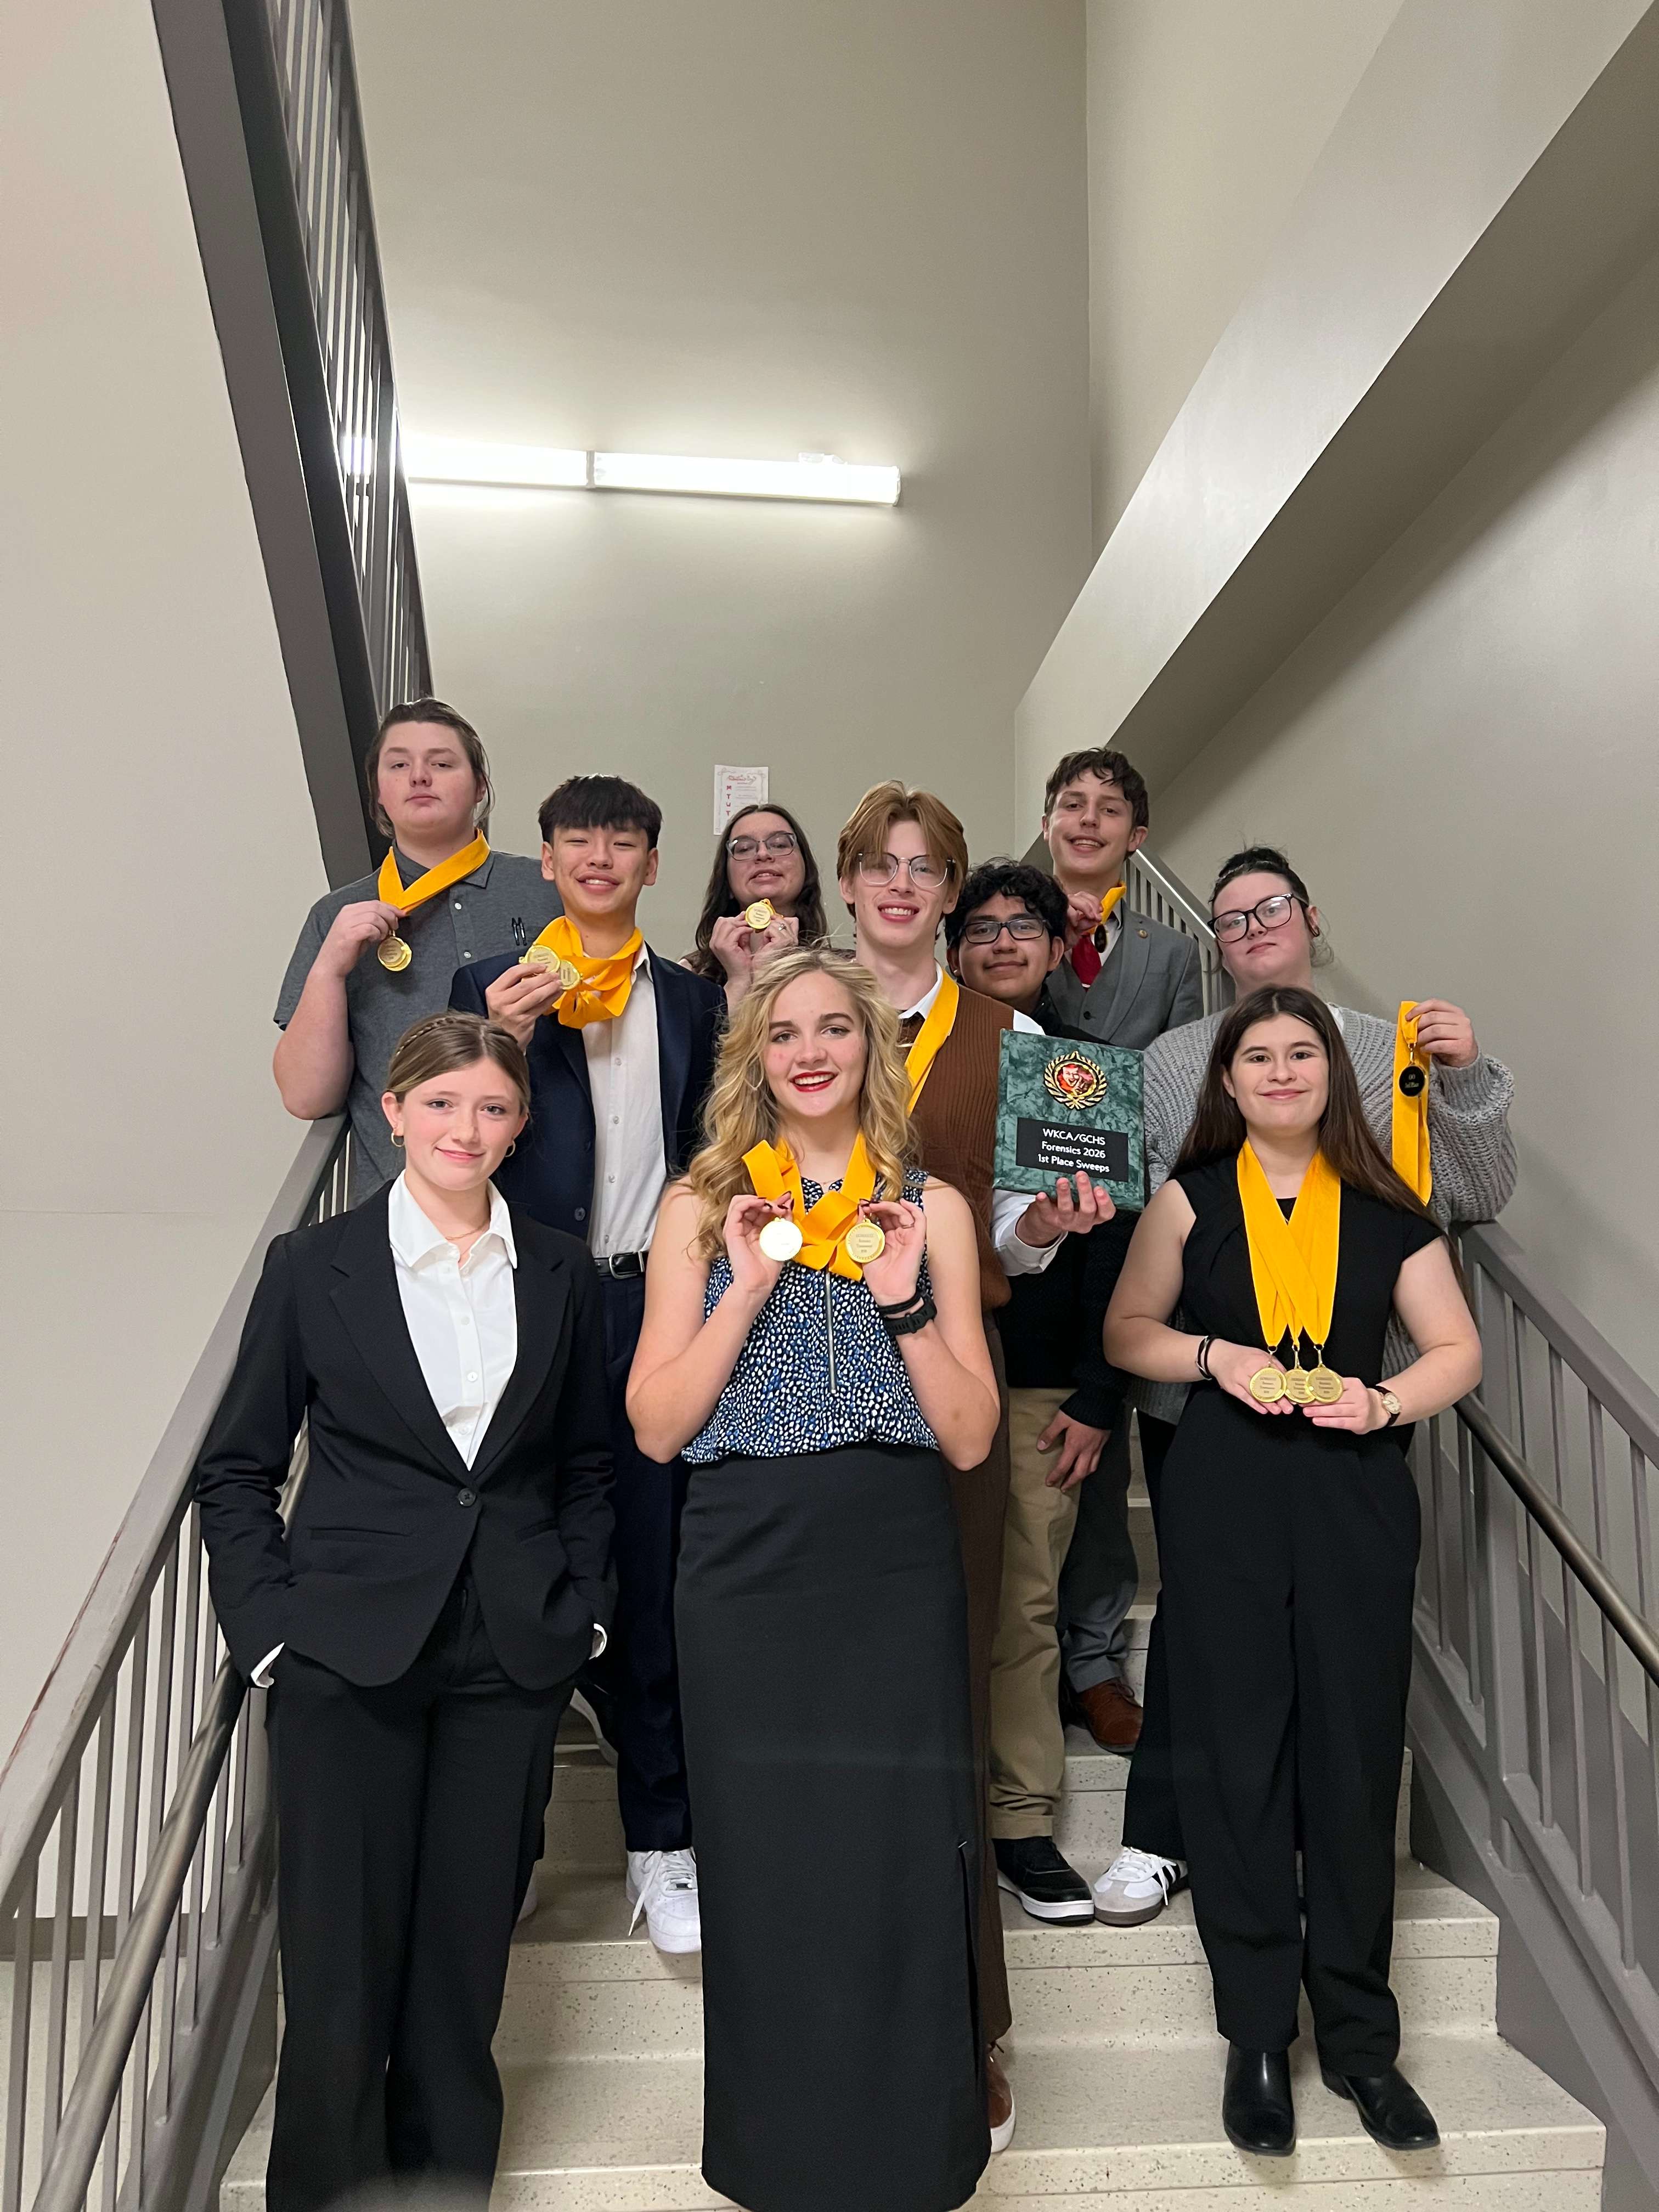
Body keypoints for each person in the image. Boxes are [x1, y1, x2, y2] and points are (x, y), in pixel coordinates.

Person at [195, 1013, 614, 2212]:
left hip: (511, 1649)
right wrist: (271, 1632)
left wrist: (581, 1615)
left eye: (491, 1109)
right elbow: (235, 1469)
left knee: (463, 1964)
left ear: (520, 1125)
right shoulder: (311, 1266)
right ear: (392, 1110)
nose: (465, 1130)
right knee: (336, 1969)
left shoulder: (559, 1269)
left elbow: (586, 1466)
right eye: (441, 1105)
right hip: (343, 1651)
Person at [628, 949, 1000, 2212]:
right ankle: (776, 2158)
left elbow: (969, 1436)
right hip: (744, 1555)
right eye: (782, 1030)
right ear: (753, 1058)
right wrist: (746, 1289)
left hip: (891, 1546)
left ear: (868, 1048)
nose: (809, 1049)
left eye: (835, 1026)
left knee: (897, 1851)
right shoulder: (697, 1207)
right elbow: (656, 1427)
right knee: (770, 1862)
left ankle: (915, 2154)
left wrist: (900, 1303)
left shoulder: (928, 1209)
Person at [1097, 843, 1517, 1931]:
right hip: (1203, 1397)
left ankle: (1309, 1849)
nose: (1248, 929)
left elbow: (1468, 1194)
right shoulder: (1167, 1059)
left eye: (1267, 909)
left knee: (1328, 1639)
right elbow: (1152, 1230)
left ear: (1309, 918)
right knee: (1199, 1617)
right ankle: (1164, 1835)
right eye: (1228, 920)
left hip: (1357, 1392)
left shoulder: (1389, 1053)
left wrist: (1465, 1080)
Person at [1105, 986, 1481, 2156]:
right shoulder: (1188, 1200)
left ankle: (1364, 2045)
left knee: (1355, 1760)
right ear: (1227, 1080)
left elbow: (1457, 1349)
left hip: (1354, 1496)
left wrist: (1383, 1399)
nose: (1279, 1072)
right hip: (1223, 1493)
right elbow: (1129, 1335)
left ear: (1335, 1074)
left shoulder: (1387, 1212)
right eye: (1256, 1055)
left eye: (1300, 1053)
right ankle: (1258, 2034)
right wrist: (1214, 1356)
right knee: (1239, 1759)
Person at [838, 782, 1104, 2148]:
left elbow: (1006, 1238)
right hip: (799, 1384)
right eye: (879, 865)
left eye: (924, 868)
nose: (901, 886)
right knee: (835, 1688)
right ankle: (825, 2016)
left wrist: (1047, 1230)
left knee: (952, 1664)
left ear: (954, 893)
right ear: (846, 884)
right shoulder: (793, 1012)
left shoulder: (1016, 1039)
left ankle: (968, 2025)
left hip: (950, 1367)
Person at [450, 776, 724, 1954]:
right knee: (517, 1555)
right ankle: (502, 1848)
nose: (600, 856)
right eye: (577, 840)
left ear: (653, 865)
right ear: (546, 862)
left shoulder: (699, 1000)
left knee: (658, 1570)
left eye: (624, 839)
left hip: (655, 1299)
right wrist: (501, 1041)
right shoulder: (486, 991)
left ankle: (663, 1842)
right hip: (533, 1304)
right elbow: (456, 1146)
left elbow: (721, 1150)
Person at [943, 860, 1136, 1928]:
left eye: (1026, 926)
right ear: (950, 945)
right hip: (908, 1366)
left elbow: (1114, 1250)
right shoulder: (902, 1060)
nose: (1003, 941)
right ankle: (937, 1808)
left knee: (1022, 1603)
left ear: (1060, 949)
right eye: (982, 927)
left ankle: (1021, 1820)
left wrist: (1103, 1394)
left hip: (1040, 1381)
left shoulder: (1084, 1072)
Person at [1035, 748, 1202, 1768]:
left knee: (1106, 1450)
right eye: (1070, 804)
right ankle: (1022, 1651)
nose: (1088, 820)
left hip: (1133, 1220)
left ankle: (1093, 1662)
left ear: (1136, 839)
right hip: (1025, 1215)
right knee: (1048, 1438)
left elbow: (1185, 1081)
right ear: (1048, 819)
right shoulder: (999, 918)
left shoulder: (1171, 954)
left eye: (1109, 810)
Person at [274, 699, 560, 1195]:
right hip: (397, 1203)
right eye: (399, 765)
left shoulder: (548, 890)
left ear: (479, 787)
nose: (419, 777)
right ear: (379, 793)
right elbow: (306, 1098)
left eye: (443, 763)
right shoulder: (337, 917)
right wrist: (329, 970)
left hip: (543, 1197)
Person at [684, 802, 830, 1011]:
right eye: (744, 848)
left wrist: (771, 975)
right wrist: (738, 981)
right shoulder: (690, 974)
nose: (762, 854)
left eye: (780, 845)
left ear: (806, 872)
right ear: (727, 882)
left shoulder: (841, 969)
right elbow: (697, 1045)